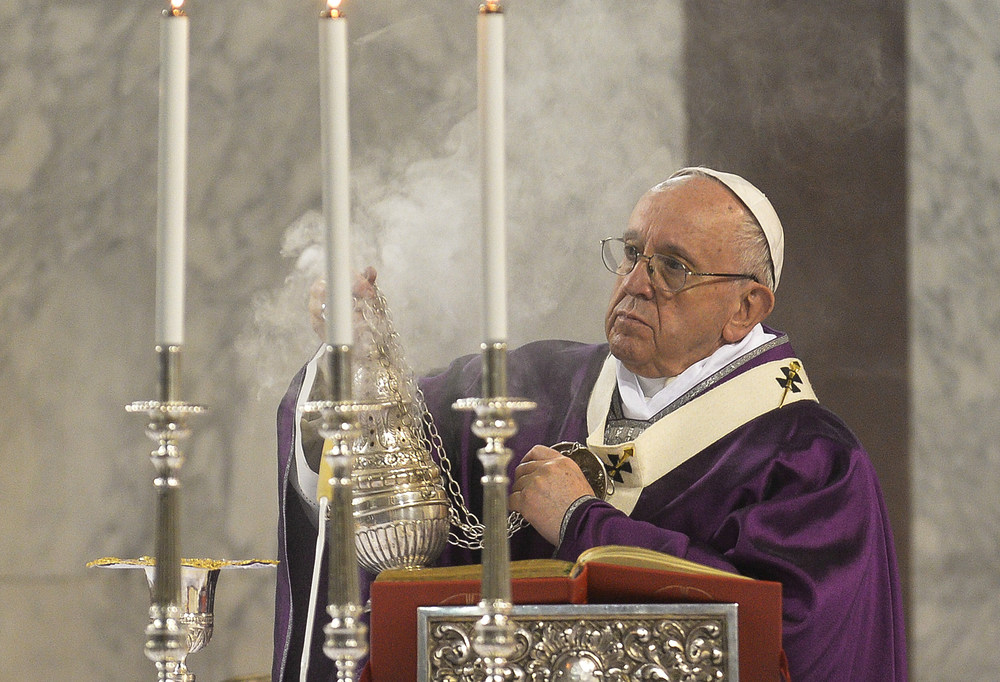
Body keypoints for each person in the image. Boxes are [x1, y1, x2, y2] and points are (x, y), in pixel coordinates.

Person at [272, 167, 907, 681]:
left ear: (746, 306)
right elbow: (380, 459)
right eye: (633, 254)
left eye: (672, 266)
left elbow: (794, 641)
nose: (634, 283)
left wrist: (584, 524)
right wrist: (358, 366)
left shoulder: (807, 460)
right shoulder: (532, 390)